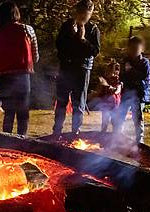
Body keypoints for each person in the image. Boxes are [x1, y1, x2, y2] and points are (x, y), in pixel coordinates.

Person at [0, 1, 39, 136]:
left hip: (3, 77)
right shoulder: (27, 29)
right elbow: (35, 56)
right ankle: (22, 140)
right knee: (23, 112)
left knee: (9, 112)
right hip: (22, 76)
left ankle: (7, 140)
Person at [53, 0, 100, 136]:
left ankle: (76, 132)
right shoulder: (67, 25)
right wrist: (71, 36)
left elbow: (95, 51)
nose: (82, 18)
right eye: (80, 14)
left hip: (83, 69)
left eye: (85, 15)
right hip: (66, 68)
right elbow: (59, 46)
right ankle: (57, 130)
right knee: (62, 100)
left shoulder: (93, 29)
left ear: (90, 14)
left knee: (79, 102)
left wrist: (83, 39)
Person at [114, 36, 150, 143]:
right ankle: (117, 135)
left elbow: (144, 76)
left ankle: (139, 138)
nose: (133, 50)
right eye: (131, 48)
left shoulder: (144, 62)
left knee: (137, 116)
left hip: (139, 92)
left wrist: (131, 70)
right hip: (127, 91)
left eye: (136, 48)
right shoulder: (125, 61)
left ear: (142, 49)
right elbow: (122, 76)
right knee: (121, 113)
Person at [96, 60, 122, 133]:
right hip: (105, 104)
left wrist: (113, 89)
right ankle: (103, 134)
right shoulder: (105, 80)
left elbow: (118, 90)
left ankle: (115, 135)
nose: (106, 72)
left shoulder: (118, 81)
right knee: (105, 120)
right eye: (106, 71)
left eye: (108, 71)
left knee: (114, 120)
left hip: (115, 104)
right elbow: (100, 90)